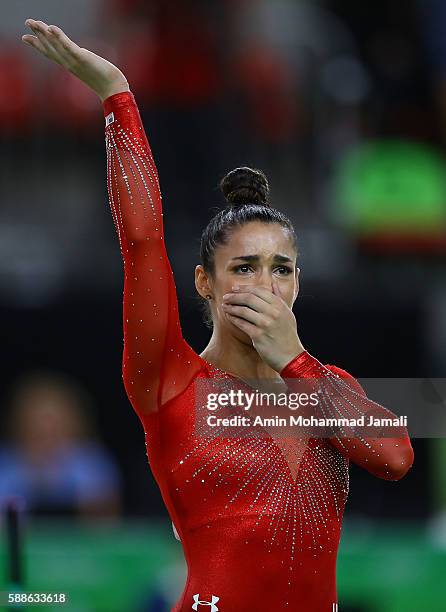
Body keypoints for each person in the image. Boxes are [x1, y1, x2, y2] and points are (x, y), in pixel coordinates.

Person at [21, 19, 414, 611]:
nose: (265, 284)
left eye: (282, 269)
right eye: (245, 267)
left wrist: (296, 363)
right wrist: (117, 96)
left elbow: (397, 457)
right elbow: (143, 239)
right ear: (204, 283)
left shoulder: (327, 388)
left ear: (299, 285)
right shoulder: (171, 382)